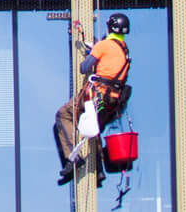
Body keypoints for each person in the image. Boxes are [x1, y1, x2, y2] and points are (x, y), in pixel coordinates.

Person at [54, 12, 131, 185]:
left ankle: (72, 158)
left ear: (109, 27)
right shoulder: (123, 50)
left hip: (97, 95)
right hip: (113, 102)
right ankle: (99, 170)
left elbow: (84, 67)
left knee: (63, 114)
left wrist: (91, 52)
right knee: (93, 127)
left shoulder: (103, 46)